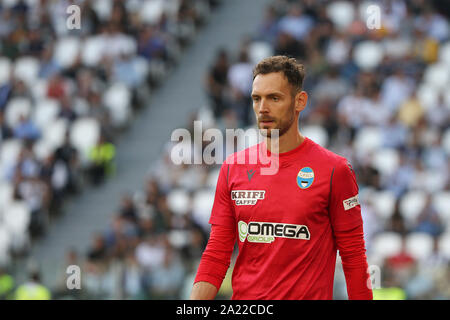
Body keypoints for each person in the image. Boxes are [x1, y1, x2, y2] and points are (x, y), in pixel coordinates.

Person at [190, 56, 373, 300]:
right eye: (257, 98)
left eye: (274, 98)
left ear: (300, 102)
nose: (263, 108)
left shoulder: (334, 170)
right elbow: (216, 254)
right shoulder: (233, 168)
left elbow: (354, 258)